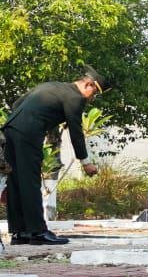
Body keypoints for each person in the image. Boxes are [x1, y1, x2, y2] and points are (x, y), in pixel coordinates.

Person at [2, 68, 107, 245]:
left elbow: (17, 104)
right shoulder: (75, 98)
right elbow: (76, 132)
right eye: (94, 92)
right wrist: (85, 162)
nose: (91, 98)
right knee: (30, 180)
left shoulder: (52, 86)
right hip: (28, 134)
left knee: (15, 181)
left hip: (10, 129)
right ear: (88, 84)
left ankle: (20, 233)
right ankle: (37, 232)